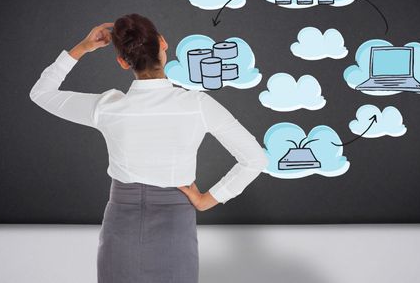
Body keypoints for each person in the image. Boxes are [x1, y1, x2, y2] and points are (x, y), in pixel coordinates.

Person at [29, 14, 269, 283]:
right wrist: (207, 199)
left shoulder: (108, 107)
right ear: (163, 43)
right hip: (176, 223)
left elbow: (42, 94)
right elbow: (255, 158)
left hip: (121, 222)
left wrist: (83, 47)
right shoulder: (197, 104)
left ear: (122, 61)